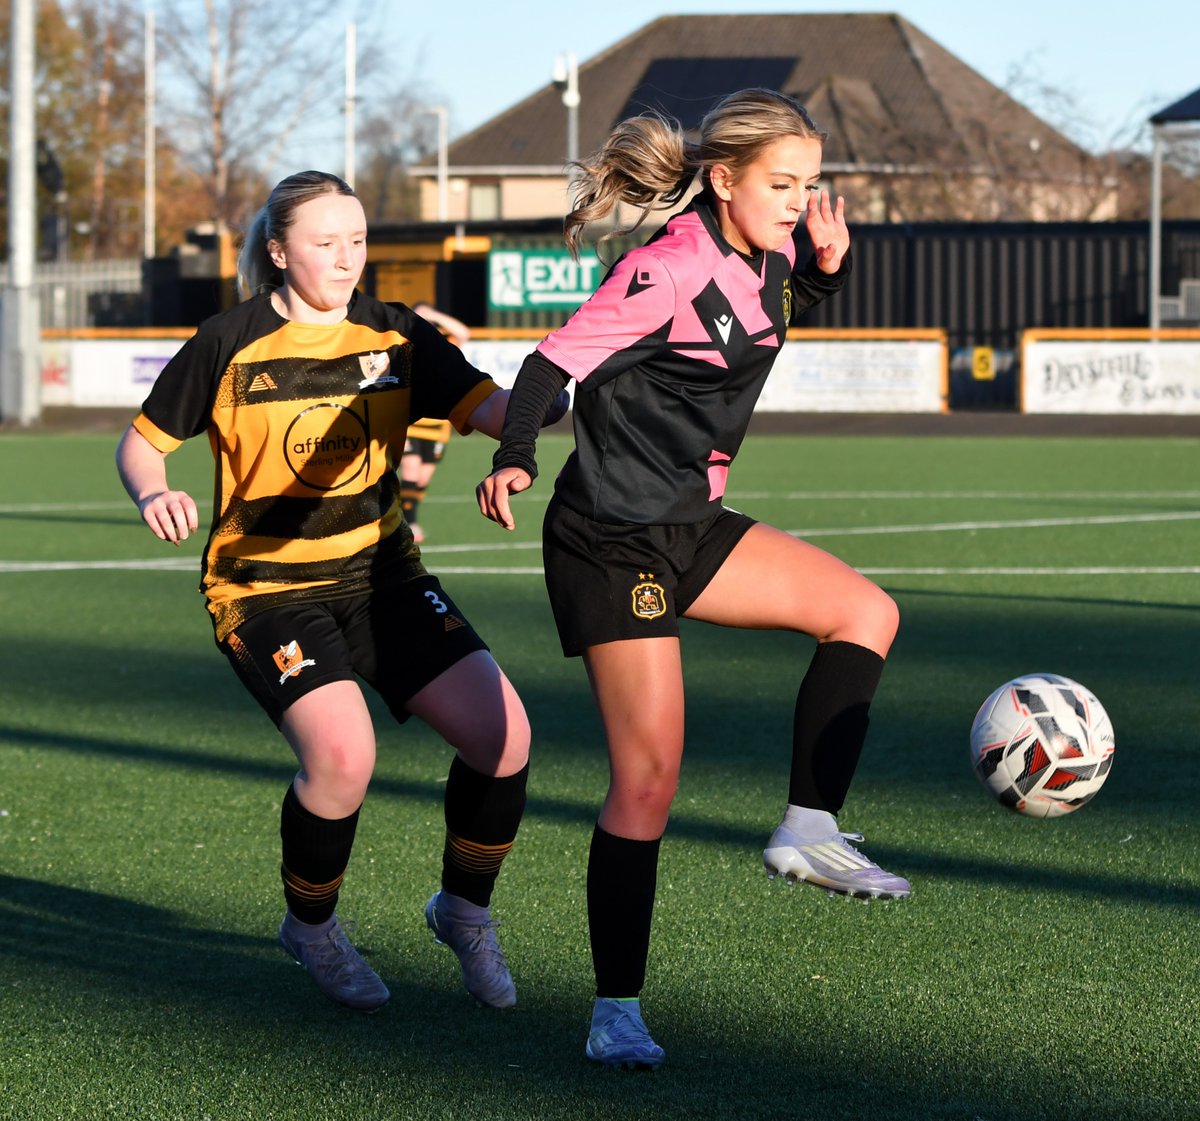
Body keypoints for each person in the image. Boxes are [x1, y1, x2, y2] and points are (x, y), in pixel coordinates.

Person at [477, 89, 909, 1068]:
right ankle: (615, 1011)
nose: (799, 200)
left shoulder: (775, 256)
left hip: (692, 525)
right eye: (781, 183)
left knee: (863, 611)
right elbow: (548, 368)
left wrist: (830, 273)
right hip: (610, 540)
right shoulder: (661, 267)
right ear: (723, 179)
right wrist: (514, 456)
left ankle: (807, 826)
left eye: (808, 183)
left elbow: (775, 309)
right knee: (649, 778)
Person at [115, 170, 563, 1014]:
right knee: (343, 758)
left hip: (383, 576)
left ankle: (463, 912)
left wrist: (567, 383)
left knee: (505, 739)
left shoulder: (399, 336)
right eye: (325, 243)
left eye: (357, 240)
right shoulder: (227, 340)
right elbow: (142, 447)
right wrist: (153, 491)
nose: (346, 258)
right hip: (265, 590)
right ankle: (311, 926)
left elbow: (499, 410)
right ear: (279, 251)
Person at [401, 302, 472, 543]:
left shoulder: (442, 347)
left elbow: (464, 333)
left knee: (422, 478)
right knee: (410, 469)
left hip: (437, 427)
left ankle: (407, 518)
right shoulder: (402, 345)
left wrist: (433, 315)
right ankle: (407, 524)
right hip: (411, 422)